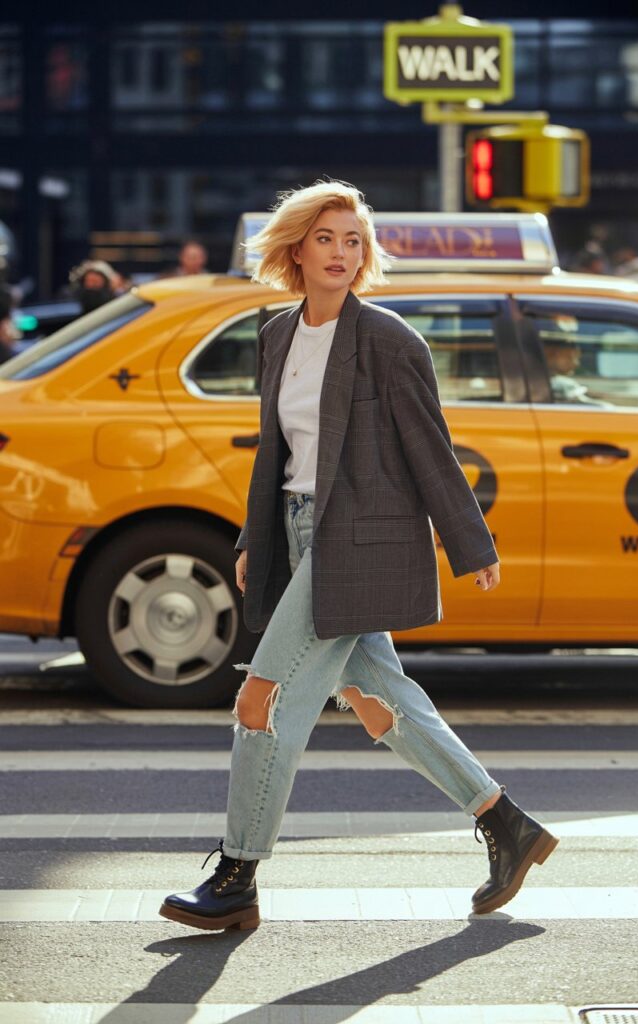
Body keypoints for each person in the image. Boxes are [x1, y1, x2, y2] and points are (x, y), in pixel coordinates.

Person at [160, 180, 558, 932]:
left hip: (359, 541)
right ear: (297, 249)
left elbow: (430, 449)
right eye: (326, 238)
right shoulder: (278, 334)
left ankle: (237, 876)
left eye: (353, 240)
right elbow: (276, 453)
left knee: (262, 698)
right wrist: (253, 538)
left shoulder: (389, 340)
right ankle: (506, 824)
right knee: (381, 703)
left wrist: (471, 543)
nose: (341, 253)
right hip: (296, 530)